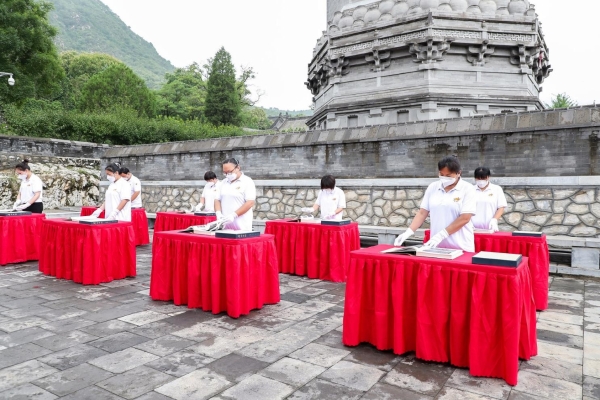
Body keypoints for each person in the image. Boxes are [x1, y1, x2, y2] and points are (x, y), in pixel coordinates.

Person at [394, 156, 477, 252]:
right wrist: (409, 232)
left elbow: (465, 218)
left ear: (458, 173)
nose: (444, 178)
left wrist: (442, 234)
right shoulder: (433, 187)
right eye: (441, 174)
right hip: (436, 246)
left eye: (448, 176)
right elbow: (422, 212)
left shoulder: (468, 189)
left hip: (460, 245)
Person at [214, 158, 256, 231]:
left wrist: (234, 215)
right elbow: (217, 199)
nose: (227, 175)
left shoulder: (247, 182)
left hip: (242, 226)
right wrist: (218, 213)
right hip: (225, 226)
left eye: (229, 172)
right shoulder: (223, 183)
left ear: (238, 168)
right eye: (225, 173)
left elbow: (250, 202)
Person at [471, 167, 507, 232]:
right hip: (472, 228)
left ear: (488, 177)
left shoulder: (496, 189)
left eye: (483, 178)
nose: (481, 181)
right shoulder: (470, 190)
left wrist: (494, 220)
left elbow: (501, 207)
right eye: (478, 178)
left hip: (490, 228)